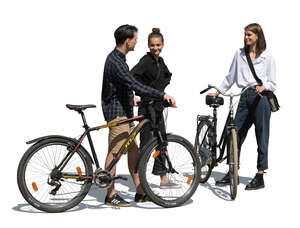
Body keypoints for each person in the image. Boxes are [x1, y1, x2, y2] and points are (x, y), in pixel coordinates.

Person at [101, 24, 176, 207]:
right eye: (135, 39)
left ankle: (141, 192)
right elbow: (133, 82)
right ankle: (110, 195)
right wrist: (160, 95)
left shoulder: (119, 59)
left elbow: (124, 85)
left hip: (124, 110)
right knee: (115, 152)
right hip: (117, 112)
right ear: (128, 41)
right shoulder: (116, 61)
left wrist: (130, 98)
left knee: (134, 152)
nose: (137, 42)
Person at [208, 23, 276, 190]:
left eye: (250, 35)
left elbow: (273, 82)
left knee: (262, 135)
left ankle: (260, 174)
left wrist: (264, 86)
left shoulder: (267, 57)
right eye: (245, 35)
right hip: (244, 97)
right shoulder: (239, 54)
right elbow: (230, 77)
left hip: (261, 98)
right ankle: (233, 171)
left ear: (258, 37)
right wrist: (218, 91)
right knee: (235, 133)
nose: (246, 38)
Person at [131, 28, 180, 189]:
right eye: (152, 45)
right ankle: (141, 184)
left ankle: (163, 178)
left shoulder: (161, 62)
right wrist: (136, 94)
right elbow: (132, 77)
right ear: (148, 45)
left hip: (157, 108)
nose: (155, 48)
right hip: (146, 108)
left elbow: (166, 76)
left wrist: (164, 97)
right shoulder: (146, 61)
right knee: (146, 145)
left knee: (162, 142)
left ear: (163, 45)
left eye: (158, 45)